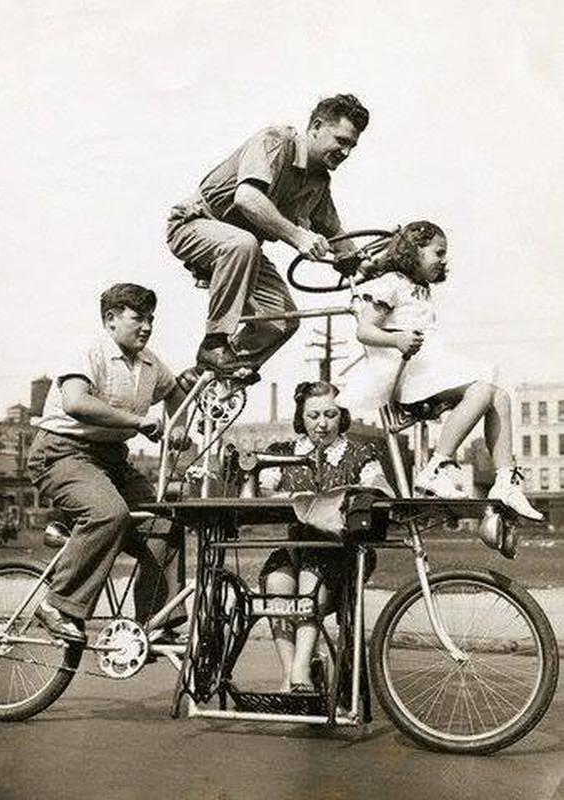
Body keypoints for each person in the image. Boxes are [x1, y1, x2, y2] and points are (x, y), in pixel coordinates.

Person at [166, 94, 370, 385]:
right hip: (195, 225)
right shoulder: (275, 141)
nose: (346, 152)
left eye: (352, 146)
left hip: (241, 249)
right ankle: (214, 343)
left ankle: (211, 380)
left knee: (282, 320)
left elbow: (337, 234)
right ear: (316, 126)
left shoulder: (319, 180)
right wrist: (298, 236)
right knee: (242, 243)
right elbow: (247, 198)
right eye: (341, 140)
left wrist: (371, 262)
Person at [344, 220, 542, 520]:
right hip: (403, 372)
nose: (443, 260)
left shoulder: (420, 288)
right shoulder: (392, 283)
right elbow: (364, 330)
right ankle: (437, 467)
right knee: (483, 389)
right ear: (415, 250)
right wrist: (397, 339)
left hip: (424, 369)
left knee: (499, 395)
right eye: (438, 252)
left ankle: (505, 481)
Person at [27, 283, 188, 643]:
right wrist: (137, 421)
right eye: (138, 318)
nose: (146, 326)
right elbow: (75, 402)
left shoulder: (150, 363)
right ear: (111, 319)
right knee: (108, 514)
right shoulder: (89, 350)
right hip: (62, 452)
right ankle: (57, 605)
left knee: (164, 524)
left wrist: (177, 427)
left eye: (151, 319)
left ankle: (154, 623)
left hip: (111, 458)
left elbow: (175, 392)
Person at [259, 380, 393, 693]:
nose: (322, 424)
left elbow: (381, 489)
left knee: (310, 579)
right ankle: (289, 675)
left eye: (330, 415)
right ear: (301, 418)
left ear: (341, 416)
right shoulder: (283, 454)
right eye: (314, 415)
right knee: (276, 582)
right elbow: (263, 492)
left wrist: (357, 493)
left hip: (343, 551)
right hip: (296, 547)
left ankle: (301, 672)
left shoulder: (360, 454)